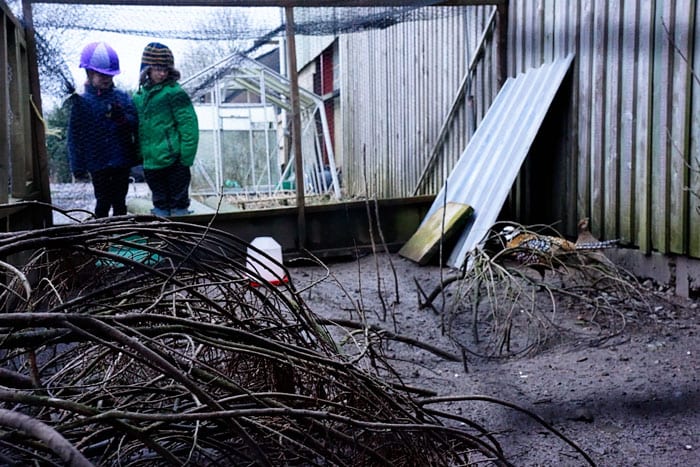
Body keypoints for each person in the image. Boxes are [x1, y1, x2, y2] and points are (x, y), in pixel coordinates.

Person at [67, 41, 139, 218]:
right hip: (97, 163)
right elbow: (74, 137)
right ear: (89, 74)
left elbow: (135, 123)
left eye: (109, 75)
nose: (106, 79)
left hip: (121, 160)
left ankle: (121, 236)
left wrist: (122, 118)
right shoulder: (81, 103)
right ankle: (101, 239)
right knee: (103, 201)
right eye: (101, 75)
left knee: (120, 202)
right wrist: (77, 166)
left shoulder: (121, 98)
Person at [132, 42, 199, 217]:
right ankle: (162, 240)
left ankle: (184, 237)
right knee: (160, 205)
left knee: (179, 206)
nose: (162, 73)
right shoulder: (139, 97)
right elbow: (138, 129)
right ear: (147, 69)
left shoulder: (174, 93)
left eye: (165, 69)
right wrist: (140, 154)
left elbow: (188, 124)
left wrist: (186, 157)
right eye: (157, 69)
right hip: (151, 162)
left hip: (174, 160)